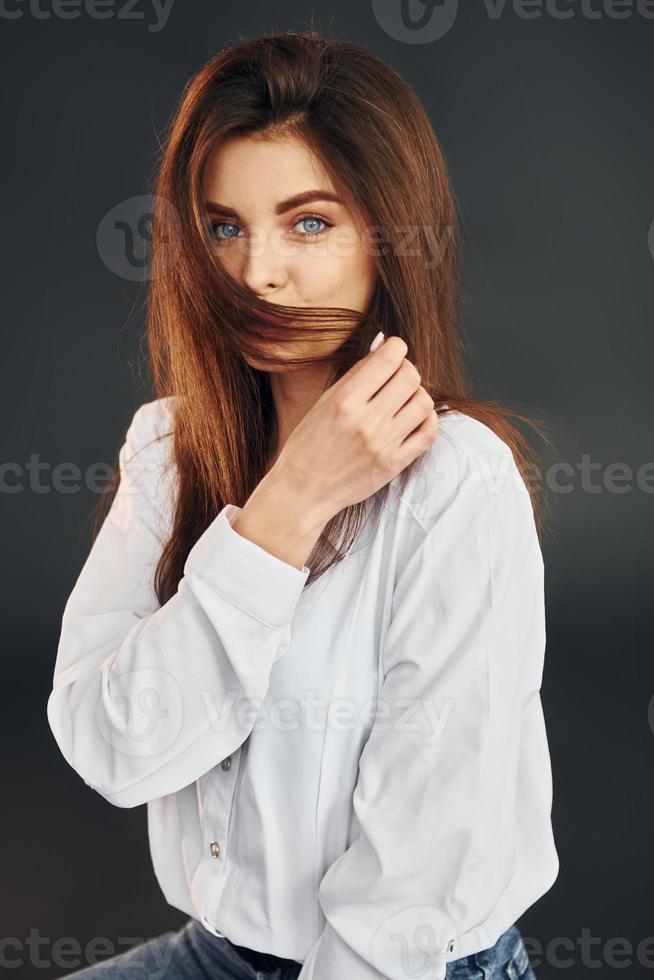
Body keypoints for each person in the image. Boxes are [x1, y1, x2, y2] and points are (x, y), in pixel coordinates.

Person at [46, 30, 559, 980]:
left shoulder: (456, 485)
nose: (256, 274)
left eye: (309, 223)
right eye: (224, 226)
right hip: (219, 953)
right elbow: (113, 750)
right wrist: (288, 506)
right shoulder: (169, 445)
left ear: (388, 232)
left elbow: (407, 898)